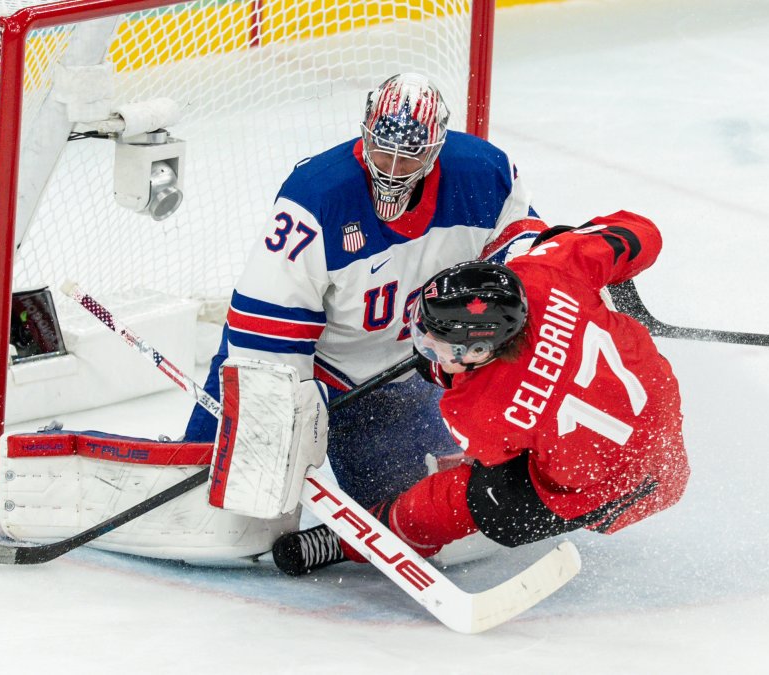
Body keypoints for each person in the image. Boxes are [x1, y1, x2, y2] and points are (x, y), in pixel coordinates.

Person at [184, 73, 543, 507]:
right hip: (321, 369)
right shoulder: (316, 197)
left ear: (435, 148)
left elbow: (529, 270)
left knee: (409, 507)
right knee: (222, 494)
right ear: (366, 130)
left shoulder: (484, 175)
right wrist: (287, 409)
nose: (392, 167)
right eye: (383, 148)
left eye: (409, 155)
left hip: (404, 376)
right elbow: (263, 328)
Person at [272, 210, 690, 575]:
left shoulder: (475, 408)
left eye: (440, 346)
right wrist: (570, 248)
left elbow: (495, 446)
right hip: (663, 444)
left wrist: (452, 379)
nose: (426, 349)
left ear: (479, 351)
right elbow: (642, 233)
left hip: (608, 495)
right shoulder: (546, 270)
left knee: (454, 500)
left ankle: (356, 539)